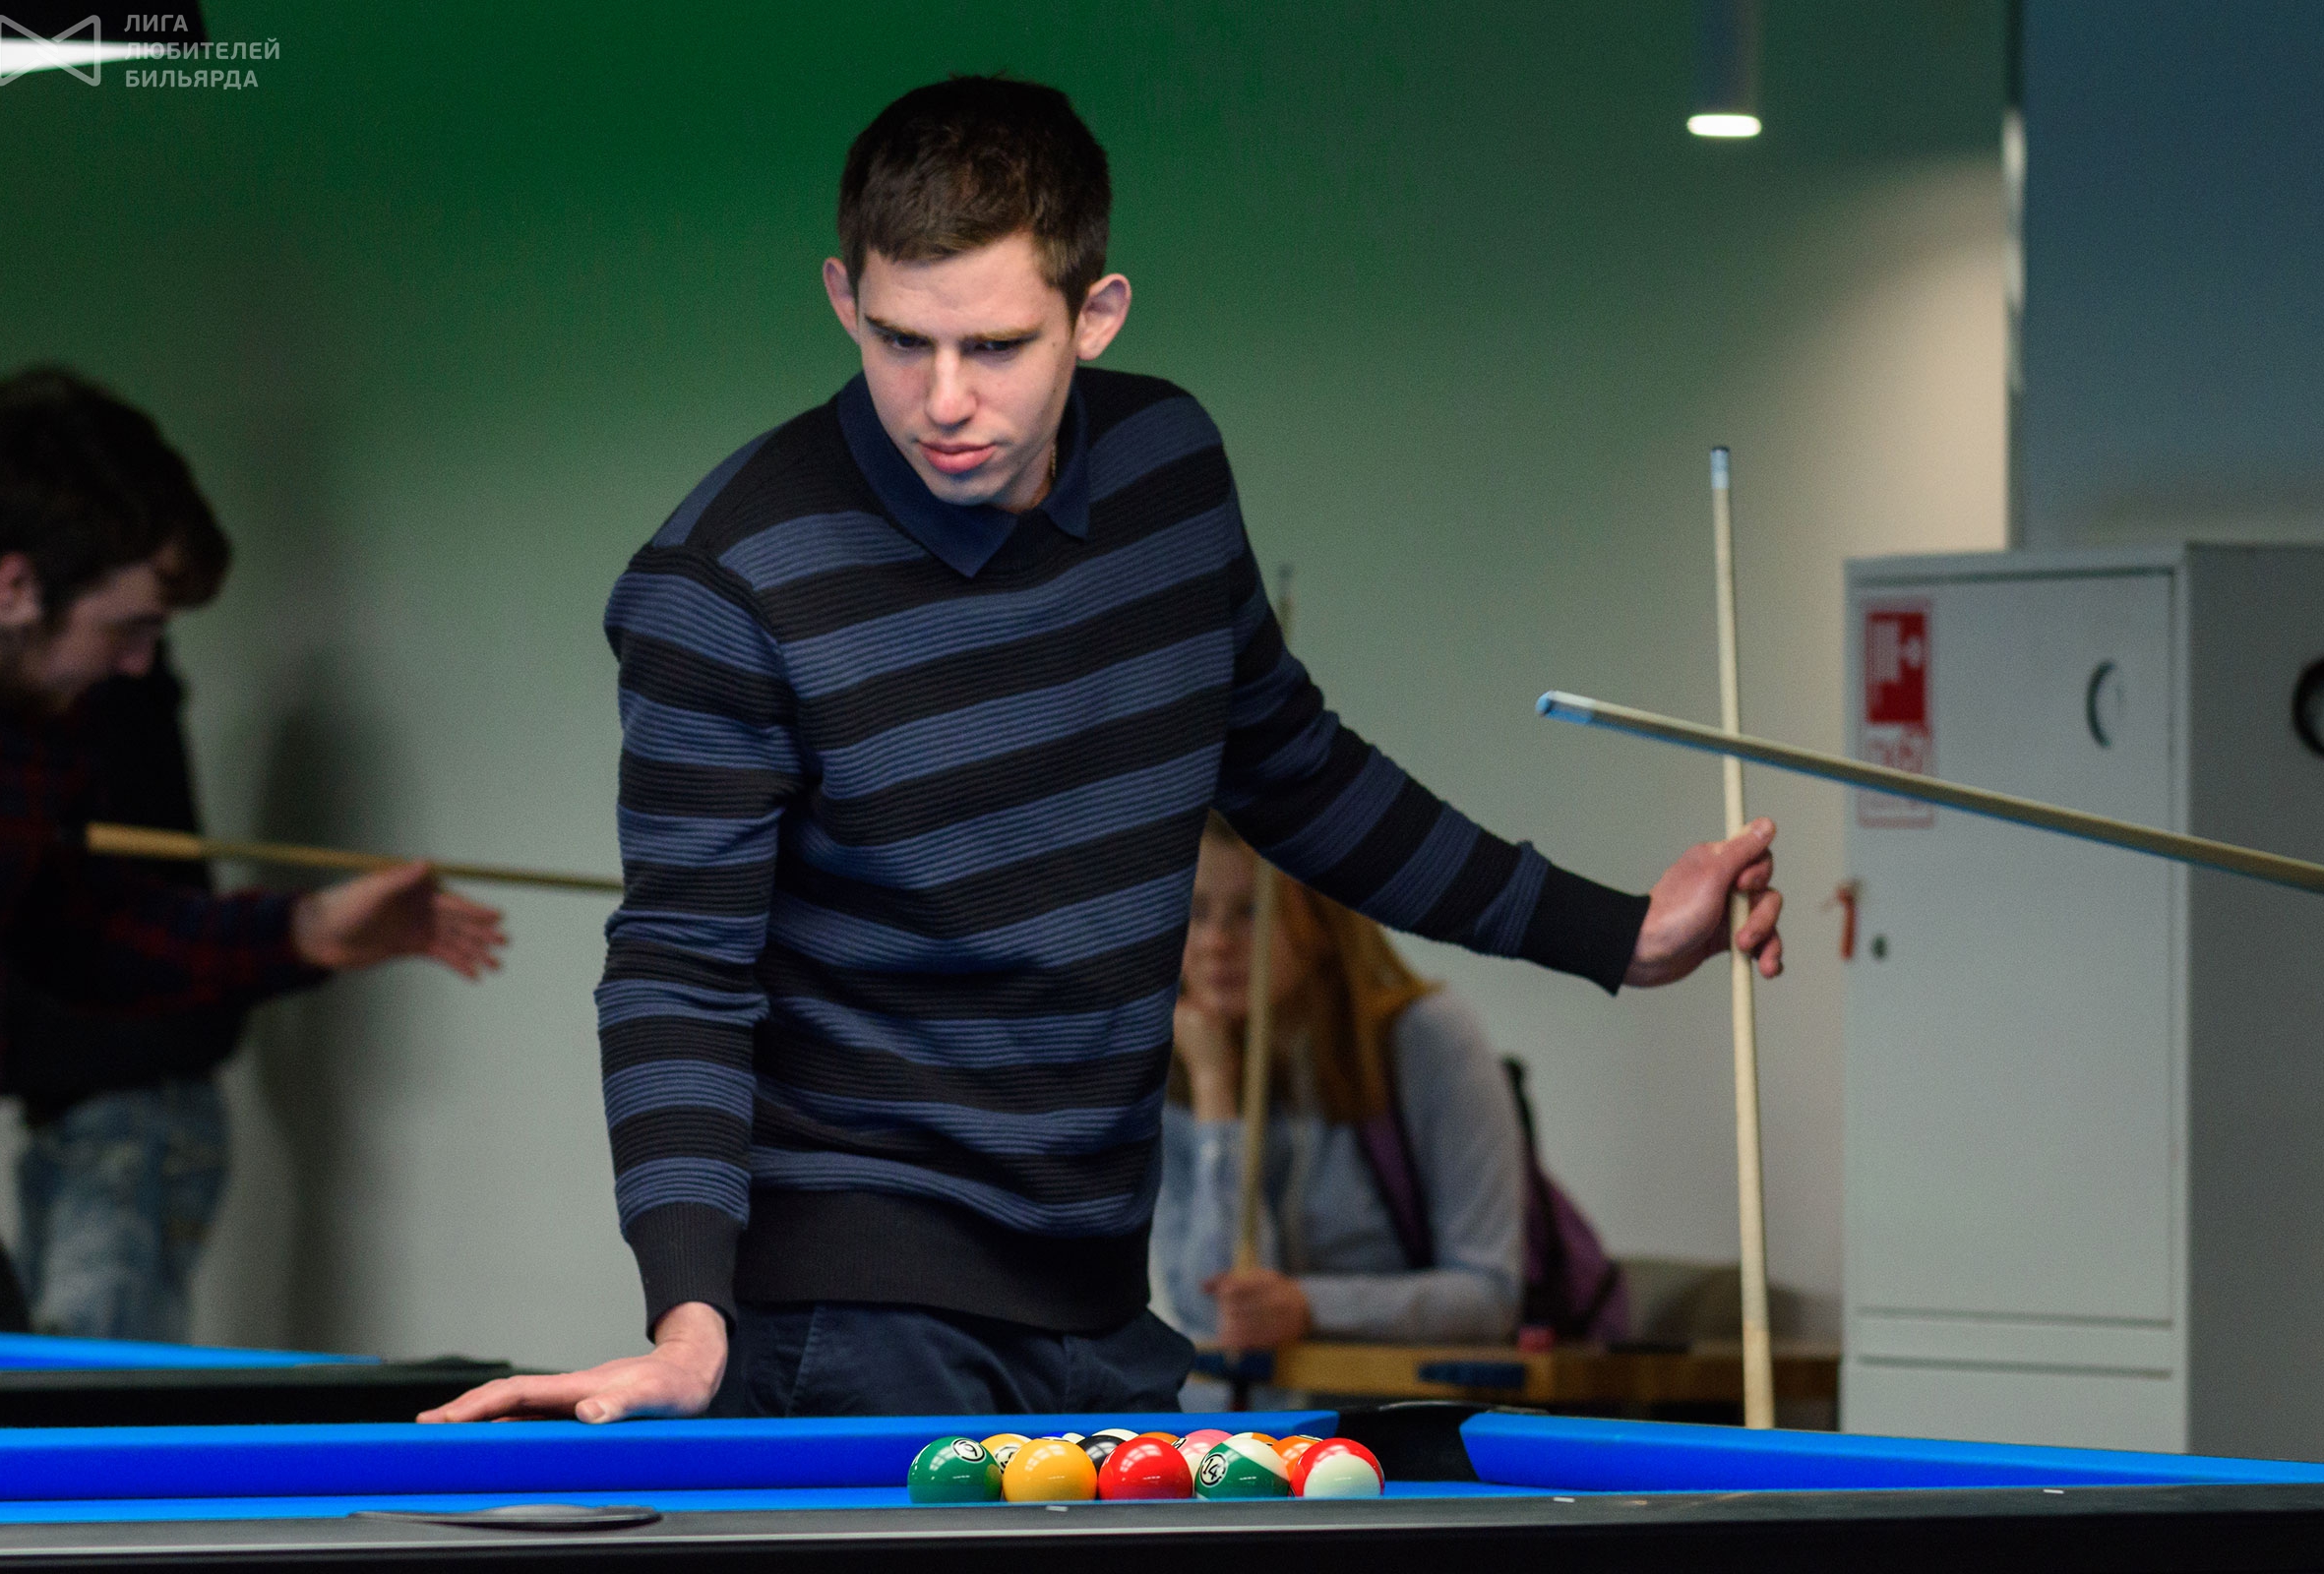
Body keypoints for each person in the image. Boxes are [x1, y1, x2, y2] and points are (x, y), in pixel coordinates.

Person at [424, 75, 1780, 1425]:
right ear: (843, 298)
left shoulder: (1164, 470)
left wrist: (1619, 933)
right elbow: (679, 966)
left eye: (996, 346)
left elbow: (1297, 770)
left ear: (1097, 313)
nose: (943, 399)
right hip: (846, 1313)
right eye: (900, 341)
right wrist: (687, 1314)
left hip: (1101, 1295)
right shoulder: (726, 582)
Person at [0, 366, 509, 1331]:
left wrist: (305, 931)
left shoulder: (35, 726)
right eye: (129, 628)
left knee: (34, 1409)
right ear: (14, 584)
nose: (140, 665)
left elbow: (80, 927)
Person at [1156, 814, 1526, 1348]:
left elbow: (1490, 1294)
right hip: (1248, 1403)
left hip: (1392, 1396)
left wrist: (1309, 1307)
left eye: (1250, 911)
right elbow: (1215, 1312)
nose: (1215, 942)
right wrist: (1215, 1092)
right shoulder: (1188, 1062)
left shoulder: (1425, 1039)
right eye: (1195, 912)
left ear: (1322, 919)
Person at [7, 644, 247, 1341]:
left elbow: (125, 922)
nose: (136, 655)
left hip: (133, 1098)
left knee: (92, 1379)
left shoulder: (112, 704)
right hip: (74, 1100)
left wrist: (303, 931)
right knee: (37, 1369)